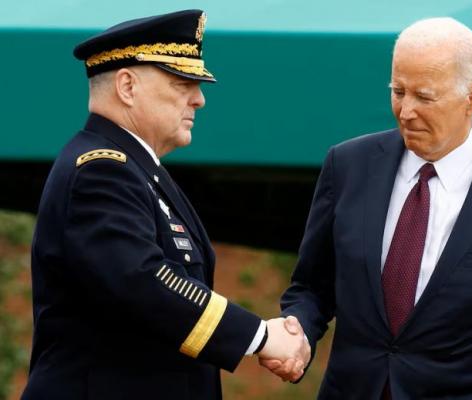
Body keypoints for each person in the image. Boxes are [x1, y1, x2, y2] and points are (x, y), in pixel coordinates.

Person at [262, 17, 472, 399]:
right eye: (398, 91)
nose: (405, 111)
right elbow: (312, 286)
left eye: (424, 96)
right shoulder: (348, 165)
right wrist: (298, 329)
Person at [22, 9, 309, 400]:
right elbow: (141, 280)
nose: (200, 99)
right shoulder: (101, 169)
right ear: (127, 86)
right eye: (182, 82)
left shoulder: (137, 169)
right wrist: (259, 336)